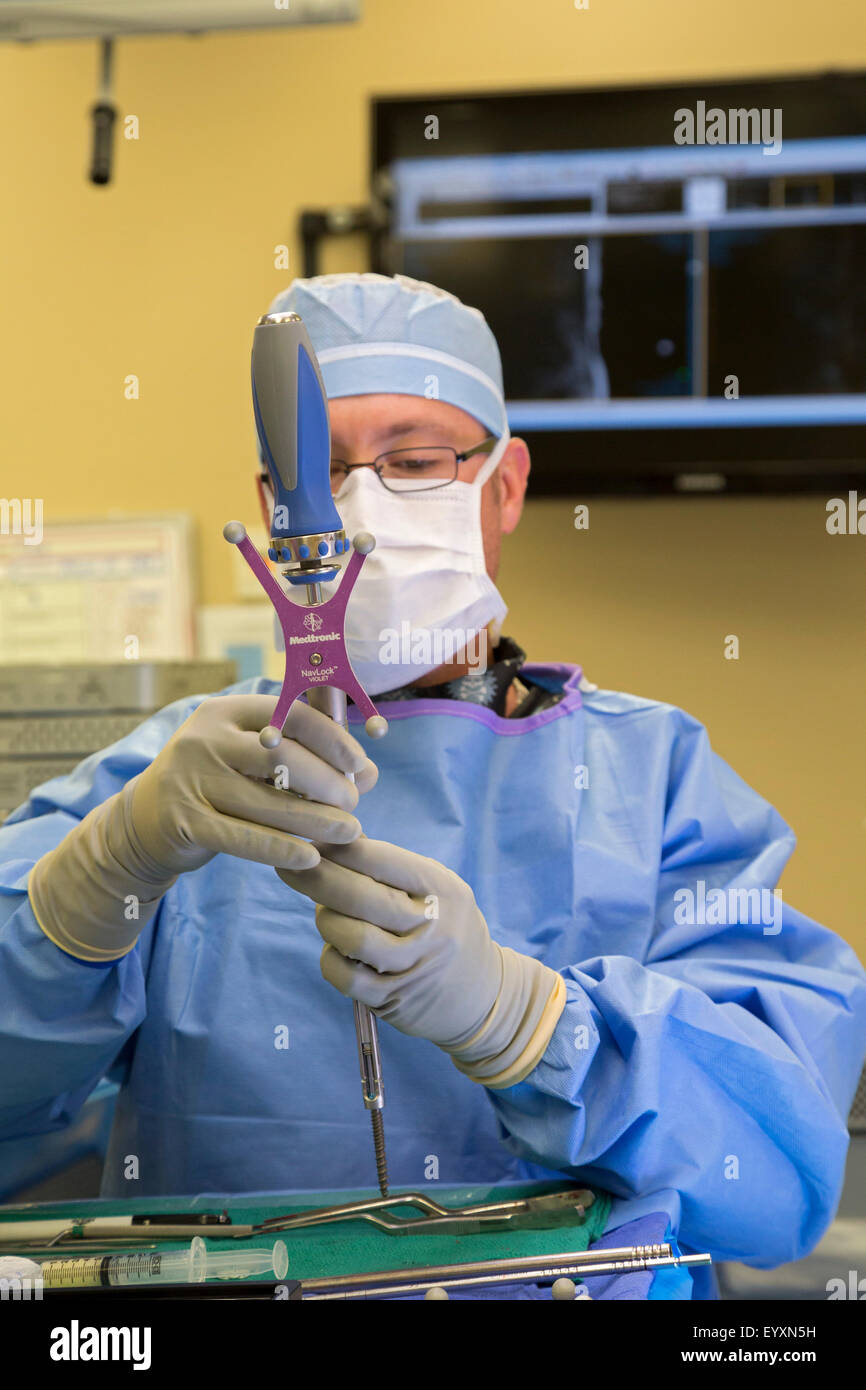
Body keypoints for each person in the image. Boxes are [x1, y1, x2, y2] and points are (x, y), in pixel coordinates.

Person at [1, 274, 864, 1302]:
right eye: (318, 475)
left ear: (503, 487)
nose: (361, 506)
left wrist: (524, 1021)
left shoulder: (656, 784)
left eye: (413, 463)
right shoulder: (170, 784)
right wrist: (97, 881)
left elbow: (778, 1180)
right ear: (272, 511)